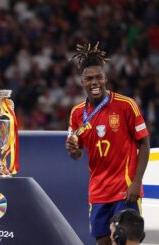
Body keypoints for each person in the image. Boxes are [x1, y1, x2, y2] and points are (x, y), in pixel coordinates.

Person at [65, 42, 150, 245]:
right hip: (98, 192)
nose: (94, 82)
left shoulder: (126, 105)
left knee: (126, 241)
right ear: (82, 82)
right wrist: (73, 149)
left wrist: (137, 182)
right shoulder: (77, 113)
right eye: (89, 78)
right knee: (102, 243)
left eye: (98, 77)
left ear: (106, 79)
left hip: (125, 189)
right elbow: (76, 153)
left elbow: (144, 143)